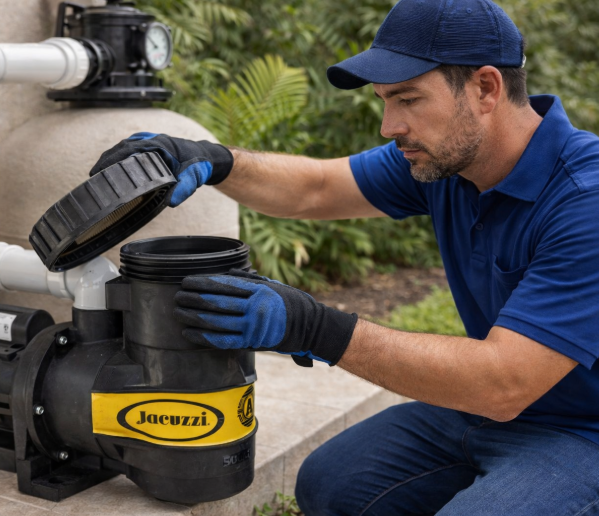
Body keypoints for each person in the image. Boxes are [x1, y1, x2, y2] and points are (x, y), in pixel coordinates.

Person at [90, 0, 599, 513]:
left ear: (485, 88)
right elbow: (315, 187)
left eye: (407, 98)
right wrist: (213, 159)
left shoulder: (585, 200)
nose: (388, 125)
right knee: (332, 484)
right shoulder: (449, 160)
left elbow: (503, 383)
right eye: (384, 100)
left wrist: (314, 328)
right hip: (488, 418)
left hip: (585, 431)